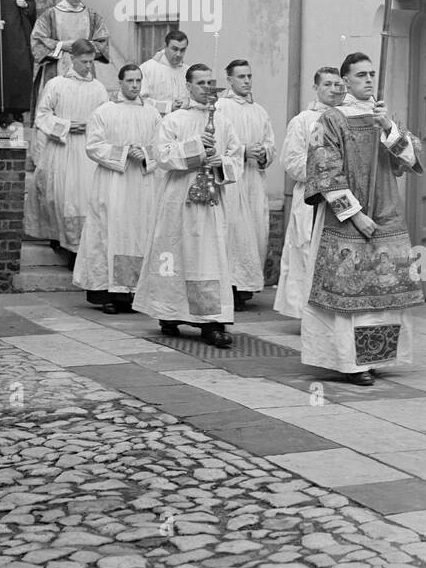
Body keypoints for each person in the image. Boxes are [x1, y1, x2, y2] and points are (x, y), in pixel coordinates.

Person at [301, 51, 424, 385]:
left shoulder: (384, 116)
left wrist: (388, 128)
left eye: (372, 74)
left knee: (382, 295)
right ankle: (350, 363)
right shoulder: (331, 119)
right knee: (350, 297)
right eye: (360, 75)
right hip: (346, 220)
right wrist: (355, 215)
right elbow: (325, 170)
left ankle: (376, 356)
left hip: (386, 213)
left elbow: (411, 159)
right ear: (346, 81)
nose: (369, 80)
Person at [133, 64, 242, 349]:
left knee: (210, 258)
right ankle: (169, 313)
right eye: (201, 82)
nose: (207, 88)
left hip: (211, 202)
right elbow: (162, 156)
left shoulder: (224, 121)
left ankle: (213, 321)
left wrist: (222, 162)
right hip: (179, 200)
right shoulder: (174, 120)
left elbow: (236, 157)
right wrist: (195, 147)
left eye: (211, 82)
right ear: (188, 86)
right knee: (175, 254)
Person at [73, 63, 161, 314]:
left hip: (142, 185)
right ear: (120, 82)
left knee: (138, 234)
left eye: (138, 81)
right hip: (113, 183)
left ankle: (134, 292)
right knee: (109, 233)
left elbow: (161, 145)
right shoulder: (104, 111)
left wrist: (143, 153)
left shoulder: (153, 114)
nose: (134, 85)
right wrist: (124, 153)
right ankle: (108, 293)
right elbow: (93, 145)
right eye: (130, 81)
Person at [23, 38, 108, 267]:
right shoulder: (56, 84)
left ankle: (78, 251)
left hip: (86, 150)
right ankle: (59, 239)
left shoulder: (98, 89)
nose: (88, 66)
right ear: (71, 59)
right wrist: (67, 125)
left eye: (91, 62)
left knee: (84, 199)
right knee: (60, 195)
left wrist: (90, 127)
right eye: (84, 62)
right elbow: (42, 116)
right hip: (61, 147)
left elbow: (105, 118)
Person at [274, 67, 346, 320]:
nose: (333, 89)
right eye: (327, 84)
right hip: (311, 196)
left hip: (343, 197)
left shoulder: (347, 117)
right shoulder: (303, 120)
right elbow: (292, 161)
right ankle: (306, 313)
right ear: (315, 87)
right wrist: (325, 171)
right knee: (307, 251)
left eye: (338, 84)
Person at [214, 58, 275, 310]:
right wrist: (242, 151)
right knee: (234, 232)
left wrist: (263, 154)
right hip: (231, 180)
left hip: (253, 179)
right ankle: (229, 286)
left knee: (256, 230)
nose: (247, 81)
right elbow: (217, 144)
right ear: (229, 80)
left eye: (249, 76)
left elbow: (270, 142)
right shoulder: (220, 107)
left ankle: (246, 286)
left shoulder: (259, 110)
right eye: (241, 77)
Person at [31, 0, 110, 101]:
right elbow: (37, 40)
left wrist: (84, 47)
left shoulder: (91, 15)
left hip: (85, 67)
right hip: (57, 67)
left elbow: (103, 41)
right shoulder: (50, 15)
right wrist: (60, 45)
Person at [140, 31, 190, 114]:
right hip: (156, 121)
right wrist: (168, 107)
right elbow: (141, 100)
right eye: (174, 49)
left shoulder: (188, 71)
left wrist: (185, 103)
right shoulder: (147, 69)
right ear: (165, 47)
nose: (178, 54)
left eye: (182, 50)